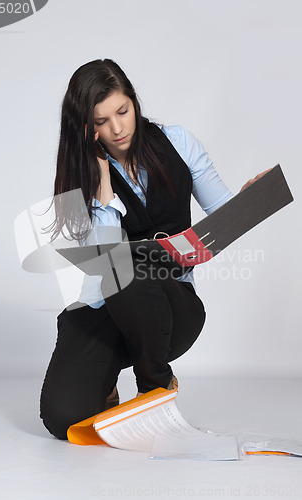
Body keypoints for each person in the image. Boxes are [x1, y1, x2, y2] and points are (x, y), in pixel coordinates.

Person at [40, 59, 266, 440]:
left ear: (133, 101)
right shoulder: (80, 178)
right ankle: (107, 385)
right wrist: (104, 192)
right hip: (105, 310)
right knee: (63, 418)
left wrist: (247, 200)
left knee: (131, 270)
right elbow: (104, 264)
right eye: (101, 121)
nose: (117, 128)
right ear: (86, 128)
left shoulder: (178, 142)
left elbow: (223, 218)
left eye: (122, 111)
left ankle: (155, 387)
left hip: (171, 306)